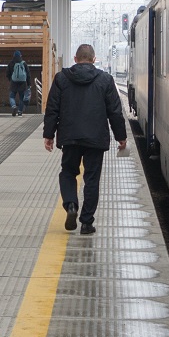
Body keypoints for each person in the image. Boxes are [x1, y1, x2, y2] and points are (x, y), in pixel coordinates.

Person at [43, 43, 128, 234]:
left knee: (68, 172)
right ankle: (87, 223)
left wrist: (49, 134)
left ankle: (71, 205)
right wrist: (121, 137)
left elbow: (52, 108)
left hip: (70, 137)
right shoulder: (105, 80)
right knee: (92, 179)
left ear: (75, 59)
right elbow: (115, 111)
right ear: (94, 59)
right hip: (95, 138)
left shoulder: (62, 78)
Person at [8, 50, 31, 117]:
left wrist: (10, 79)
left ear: (14, 56)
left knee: (12, 96)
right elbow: (28, 74)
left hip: (13, 82)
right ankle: (20, 112)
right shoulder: (24, 63)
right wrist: (29, 84)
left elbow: (8, 73)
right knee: (21, 97)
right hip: (22, 83)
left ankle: (13, 106)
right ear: (20, 55)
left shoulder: (11, 63)